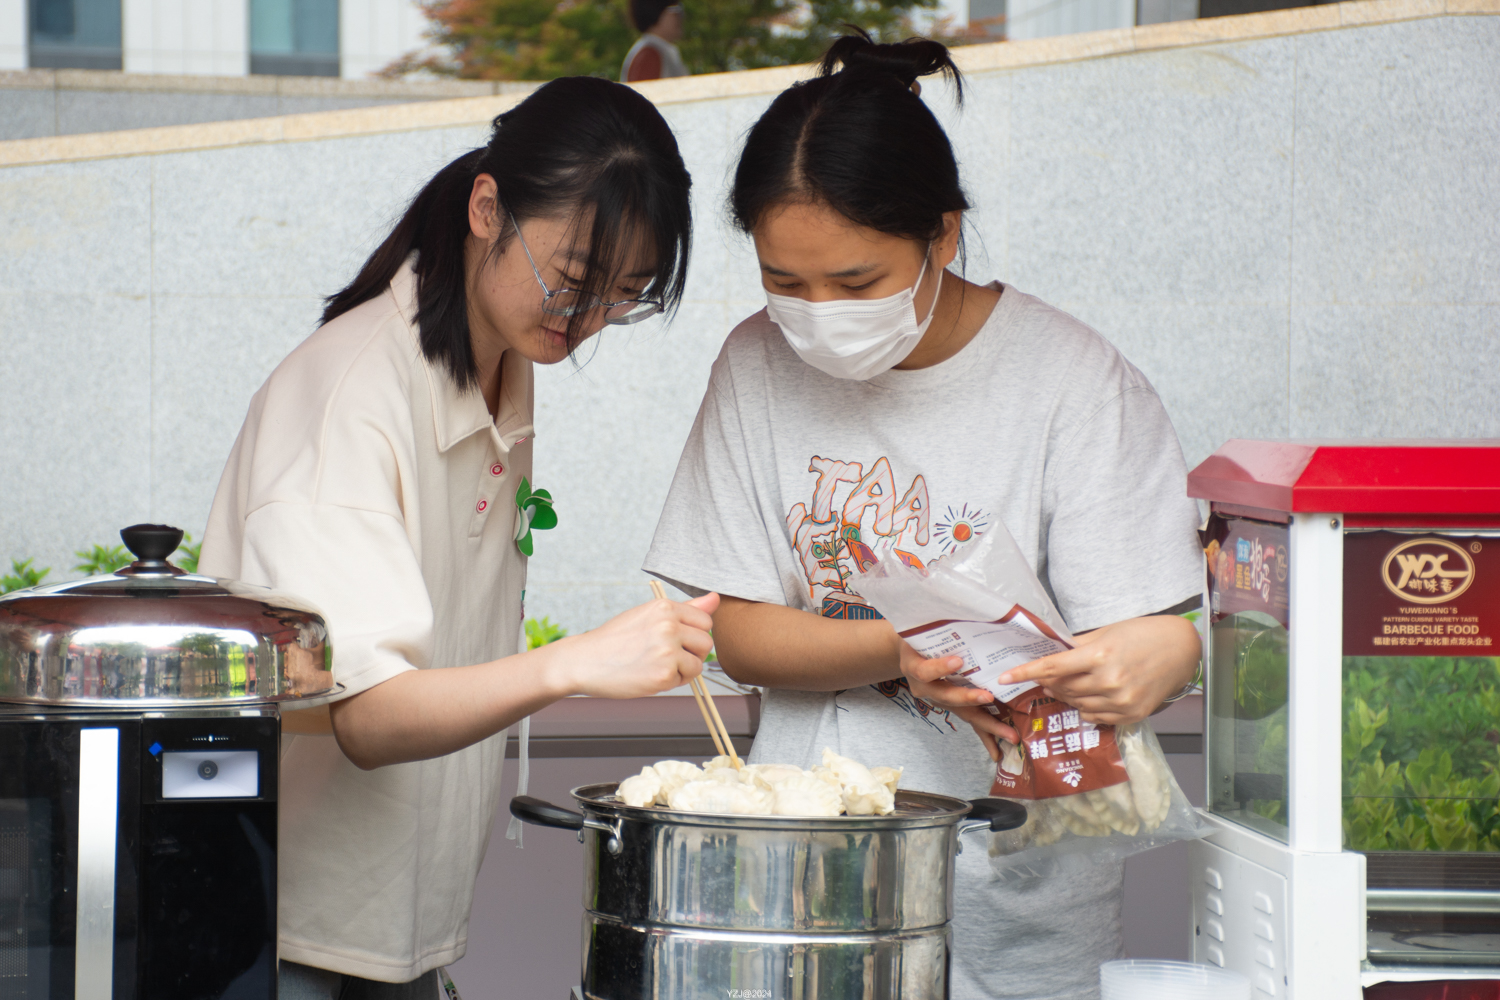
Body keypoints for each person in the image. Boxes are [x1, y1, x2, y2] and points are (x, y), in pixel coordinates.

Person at [643, 32, 1202, 1000]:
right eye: (784, 282)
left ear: (942, 234)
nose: (818, 312)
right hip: (809, 886)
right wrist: (898, 651)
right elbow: (732, 629)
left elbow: (1152, 636)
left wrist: (1150, 658)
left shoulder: (1073, 381)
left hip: (1021, 896)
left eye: (856, 283)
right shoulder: (754, 366)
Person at [200, 76, 719, 997]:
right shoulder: (351, 392)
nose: (585, 319)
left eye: (622, 297)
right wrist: (572, 663)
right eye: (572, 280)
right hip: (293, 934)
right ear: (488, 207)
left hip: (406, 921)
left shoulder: (503, 367)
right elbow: (369, 714)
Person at [621, 0, 687, 83]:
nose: (680, 16)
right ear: (656, 12)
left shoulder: (661, 50)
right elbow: (643, 94)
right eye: (675, 10)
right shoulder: (649, 55)